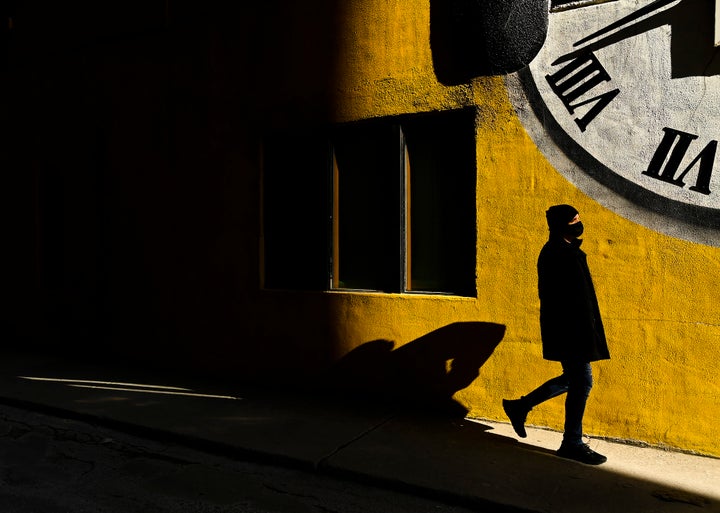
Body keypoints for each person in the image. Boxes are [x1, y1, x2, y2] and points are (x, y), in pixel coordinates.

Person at [503, 204, 610, 465]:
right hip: (570, 332)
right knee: (582, 382)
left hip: (577, 331)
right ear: (562, 224)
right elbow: (559, 302)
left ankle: (520, 407)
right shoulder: (556, 253)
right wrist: (580, 335)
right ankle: (571, 442)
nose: (579, 224)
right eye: (574, 220)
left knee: (575, 380)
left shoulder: (567, 251)